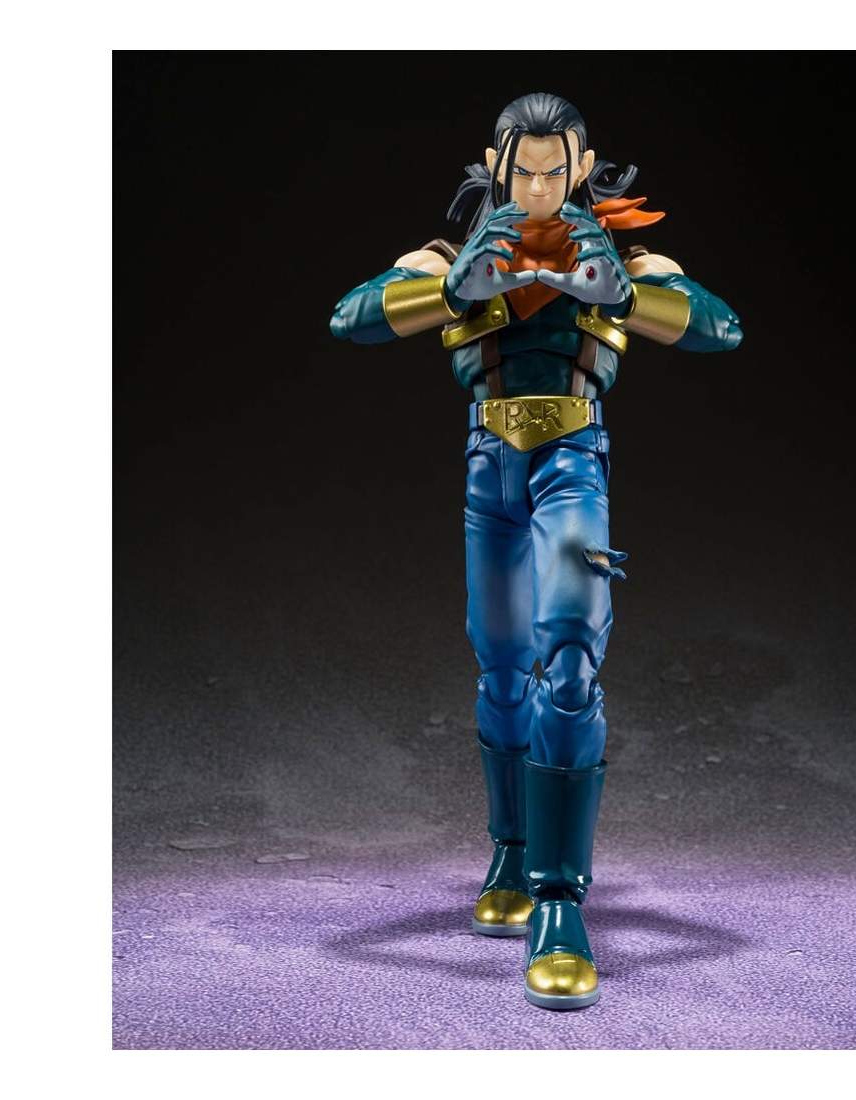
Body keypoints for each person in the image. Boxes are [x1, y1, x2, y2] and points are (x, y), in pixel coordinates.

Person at [330, 92, 742, 1010]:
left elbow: (721, 327)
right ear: (497, 164)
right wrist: (452, 289)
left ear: (583, 168)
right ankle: (512, 854)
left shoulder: (625, 257)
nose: (543, 187)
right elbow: (348, 317)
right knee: (504, 669)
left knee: (571, 663)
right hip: (490, 465)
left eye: (559, 171)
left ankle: (560, 902)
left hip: (573, 462)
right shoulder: (450, 255)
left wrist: (621, 294)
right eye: (526, 170)